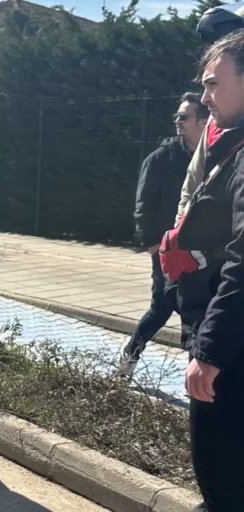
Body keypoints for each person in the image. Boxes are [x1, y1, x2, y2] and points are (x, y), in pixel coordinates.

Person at [161, 32, 244, 512]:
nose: (205, 94)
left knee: (221, 477)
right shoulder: (228, 146)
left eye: (215, 82)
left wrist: (209, 351)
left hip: (231, 350)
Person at [122, 93, 209, 375]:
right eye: (177, 117)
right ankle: (130, 357)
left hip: (204, 249)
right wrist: (152, 245)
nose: (178, 122)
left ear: (202, 120)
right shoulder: (161, 158)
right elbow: (143, 204)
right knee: (162, 308)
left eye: (184, 117)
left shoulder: (216, 153)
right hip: (167, 249)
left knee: (197, 312)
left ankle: (198, 377)